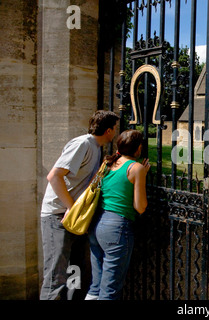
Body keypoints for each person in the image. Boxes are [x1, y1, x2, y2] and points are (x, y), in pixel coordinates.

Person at [40, 110, 120, 300]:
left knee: (73, 271)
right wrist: (71, 207)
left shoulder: (97, 147)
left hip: (74, 217)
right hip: (58, 215)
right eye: (115, 129)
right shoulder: (83, 144)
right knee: (55, 275)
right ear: (108, 130)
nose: (115, 133)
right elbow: (54, 176)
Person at [85, 129, 150, 300]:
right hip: (117, 227)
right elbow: (140, 206)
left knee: (96, 285)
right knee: (110, 289)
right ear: (139, 148)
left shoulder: (107, 163)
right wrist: (142, 174)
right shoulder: (136, 168)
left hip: (96, 223)